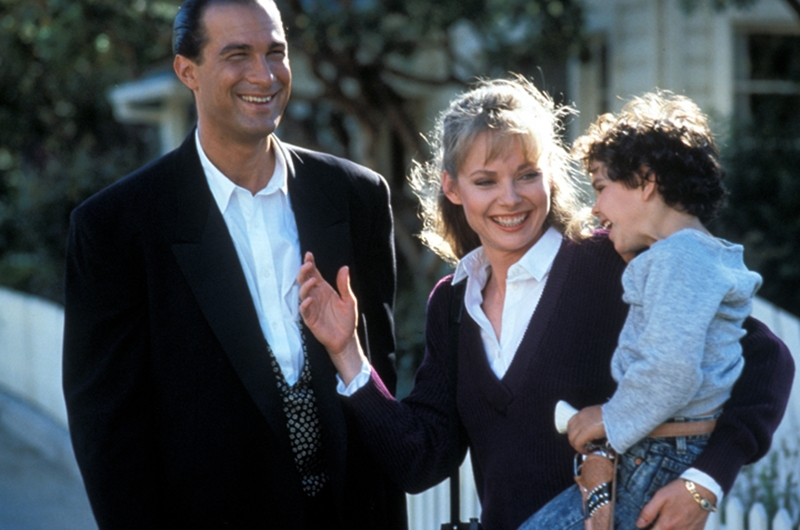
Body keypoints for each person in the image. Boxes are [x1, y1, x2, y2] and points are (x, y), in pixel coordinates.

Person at [296, 77, 795, 530]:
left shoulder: (614, 263)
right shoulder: (451, 304)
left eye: (527, 175)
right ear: (452, 187)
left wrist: (705, 481)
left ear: (551, 176)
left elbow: (766, 359)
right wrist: (346, 352)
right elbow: (420, 460)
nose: (511, 198)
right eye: (486, 181)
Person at [61, 1, 405, 528]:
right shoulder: (115, 228)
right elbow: (110, 439)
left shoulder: (356, 196)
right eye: (237, 55)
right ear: (187, 71)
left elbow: (380, 385)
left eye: (276, 52)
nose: (264, 75)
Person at [519, 91, 765, 529]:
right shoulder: (695, 257)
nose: (595, 207)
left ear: (647, 180)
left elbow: (672, 369)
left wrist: (609, 419)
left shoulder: (679, 259)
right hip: (661, 448)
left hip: (657, 454)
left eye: (601, 187)